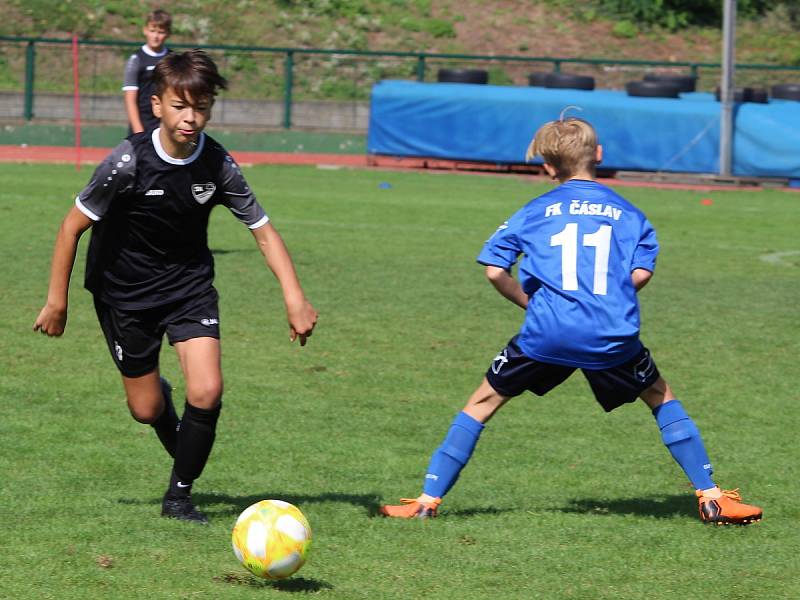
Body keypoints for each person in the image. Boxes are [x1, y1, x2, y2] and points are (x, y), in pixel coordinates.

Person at [380, 116, 762, 526]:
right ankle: (711, 497)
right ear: (598, 155)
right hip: (610, 333)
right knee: (659, 397)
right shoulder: (630, 214)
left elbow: (494, 269)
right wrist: (604, 301)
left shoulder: (532, 211)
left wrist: (534, 304)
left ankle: (426, 501)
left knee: (483, 403)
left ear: (547, 166)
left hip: (546, 332)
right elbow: (641, 274)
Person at [34, 49, 318, 524]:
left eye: (201, 106)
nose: (191, 117)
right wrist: (56, 301)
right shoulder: (127, 162)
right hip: (124, 293)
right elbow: (70, 228)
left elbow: (263, 231)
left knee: (207, 391)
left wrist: (295, 297)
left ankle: (179, 497)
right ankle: (159, 400)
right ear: (157, 105)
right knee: (146, 409)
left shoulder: (218, 165)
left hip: (188, 288)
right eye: (181, 105)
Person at [122, 9, 172, 135]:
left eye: (161, 32)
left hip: (166, 124)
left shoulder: (173, 59)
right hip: (143, 123)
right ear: (145, 30)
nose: (155, 36)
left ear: (168, 33)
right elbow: (130, 100)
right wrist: (139, 132)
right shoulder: (136, 59)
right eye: (152, 31)